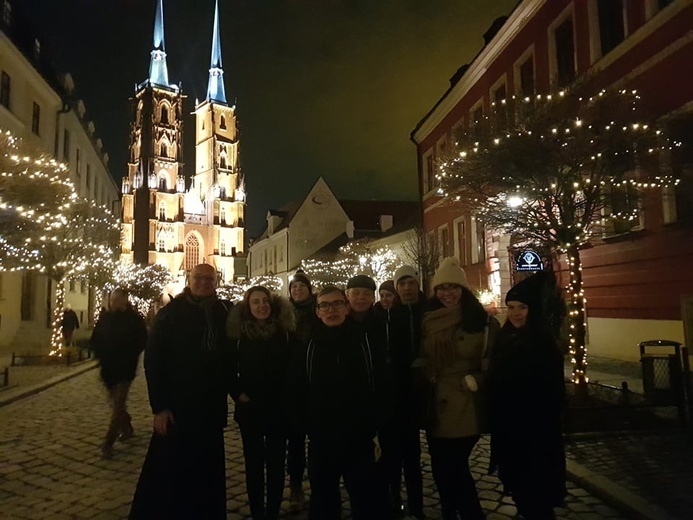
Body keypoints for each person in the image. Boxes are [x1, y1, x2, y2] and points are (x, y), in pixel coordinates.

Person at [129, 264, 234, 520]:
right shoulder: (170, 313)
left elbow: (232, 357)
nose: (203, 283)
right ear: (189, 279)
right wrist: (159, 407)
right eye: (198, 278)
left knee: (207, 470)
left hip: (210, 408)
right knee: (169, 470)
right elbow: (153, 361)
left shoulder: (224, 312)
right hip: (178, 408)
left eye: (209, 279)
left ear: (216, 281)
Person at [286, 285, 387, 520]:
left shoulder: (365, 343)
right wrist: (306, 425)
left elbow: (382, 385)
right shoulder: (308, 347)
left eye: (337, 304)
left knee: (364, 500)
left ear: (346, 308)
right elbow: (294, 390)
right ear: (318, 312)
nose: (331, 310)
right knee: (323, 500)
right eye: (325, 305)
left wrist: (374, 423)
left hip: (359, 439)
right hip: (322, 440)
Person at [414, 256, 498, 520]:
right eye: (441, 288)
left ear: (463, 289)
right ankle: (449, 511)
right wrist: (423, 370)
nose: (447, 294)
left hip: (466, 402)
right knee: (440, 467)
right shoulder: (427, 318)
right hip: (436, 401)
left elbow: (497, 361)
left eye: (453, 288)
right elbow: (422, 355)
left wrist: (477, 380)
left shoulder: (482, 321)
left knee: (456, 465)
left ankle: (473, 514)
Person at [488, 272, 567, 519]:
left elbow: (552, 396)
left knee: (538, 501)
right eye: (511, 307)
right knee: (523, 497)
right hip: (510, 433)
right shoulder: (506, 338)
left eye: (522, 307)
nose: (515, 313)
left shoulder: (543, 345)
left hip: (535, 437)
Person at [227, 285, 297, 520]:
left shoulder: (285, 333)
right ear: (248, 306)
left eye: (265, 301)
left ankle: (273, 512)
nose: (261, 305)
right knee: (253, 465)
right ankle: (258, 511)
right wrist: (239, 394)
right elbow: (227, 370)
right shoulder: (239, 335)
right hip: (251, 409)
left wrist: (288, 395)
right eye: (255, 301)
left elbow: (295, 367)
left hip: (279, 408)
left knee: (277, 465)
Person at [379, 265, 425, 519]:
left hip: (417, 394)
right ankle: (394, 502)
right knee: (391, 457)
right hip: (392, 395)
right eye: (402, 284)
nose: (407, 288)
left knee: (413, 457)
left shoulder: (428, 311)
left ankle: (417, 505)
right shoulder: (388, 316)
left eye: (410, 283)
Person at [91, 288, 147, 458]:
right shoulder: (105, 318)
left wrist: (128, 354)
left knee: (117, 405)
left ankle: (108, 444)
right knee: (116, 404)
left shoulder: (134, 319)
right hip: (108, 370)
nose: (113, 303)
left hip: (124, 369)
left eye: (116, 300)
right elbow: (95, 339)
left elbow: (142, 340)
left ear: (124, 301)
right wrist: (99, 354)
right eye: (111, 300)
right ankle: (127, 425)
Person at [286, 270, 317, 512]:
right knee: (295, 442)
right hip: (293, 386)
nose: (298, 290)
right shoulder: (283, 315)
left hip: (316, 384)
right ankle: (296, 487)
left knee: (318, 441)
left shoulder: (319, 312)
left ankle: (319, 485)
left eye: (301, 287)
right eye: (294, 287)